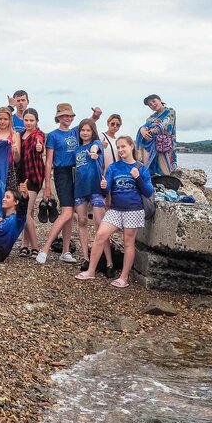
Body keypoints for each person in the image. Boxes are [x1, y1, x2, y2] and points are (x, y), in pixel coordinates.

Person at [76, 135, 154, 288]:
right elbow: (106, 192)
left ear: (131, 146)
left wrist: (138, 178)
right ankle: (91, 271)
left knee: (128, 242)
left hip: (134, 210)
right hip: (115, 209)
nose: (120, 150)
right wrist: (104, 186)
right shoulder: (113, 167)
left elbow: (148, 191)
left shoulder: (141, 168)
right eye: (118, 147)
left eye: (123, 146)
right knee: (100, 235)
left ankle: (123, 278)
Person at [36, 103, 80, 264]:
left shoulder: (75, 132)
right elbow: (49, 162)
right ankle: (45, 248)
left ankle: (65, 250)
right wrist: (47, 186)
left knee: (70, 213)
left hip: (76, 172)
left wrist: (96, 115)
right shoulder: (53, 136)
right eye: (65, 115)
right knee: (67, 212)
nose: (68, 118)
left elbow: (90, 123)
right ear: (58, 117)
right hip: (62, 173)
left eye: (70, 116)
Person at [73, 119, 106, 267]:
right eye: (82, 130)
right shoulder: (78, 150)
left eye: (88, 130)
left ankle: (101, 257)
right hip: (80, 189)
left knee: (99, 224)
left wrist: (93, 153)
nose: (85, 133)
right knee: (82, 221)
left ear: (93, 132)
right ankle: (86, 257)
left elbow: (95, 148)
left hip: (95, 189)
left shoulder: (97, 144)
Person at [17, 108, 45, 257]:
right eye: (26, 120)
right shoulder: (20, 135)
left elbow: (40, 146)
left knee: (26, 211)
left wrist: (40, 148)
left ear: (36, 121)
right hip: (22, 175)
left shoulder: (38, 135)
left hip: (33, 176)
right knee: (28, 211)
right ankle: (24, 244)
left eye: (31, 120)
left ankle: (34, 246)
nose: (29, 123)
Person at [135, 95, 177, 176]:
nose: (152, 105)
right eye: (150, 104)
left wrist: (149, 130)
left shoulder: (170, 111)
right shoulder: (151, 118)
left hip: (164, 147)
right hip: (150, 148)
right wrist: (142, 130)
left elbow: (166, 126)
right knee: (151, 175)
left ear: (160, 100)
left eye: (154, 101)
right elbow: (144, 127)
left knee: (165, 173)